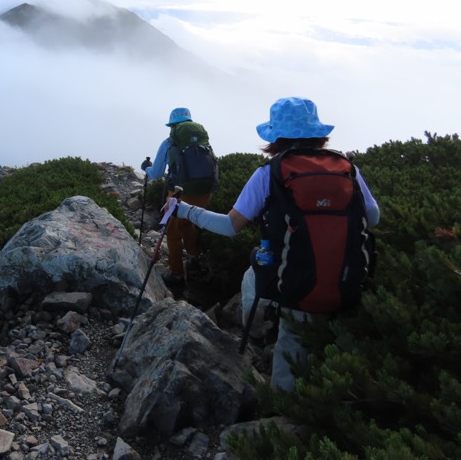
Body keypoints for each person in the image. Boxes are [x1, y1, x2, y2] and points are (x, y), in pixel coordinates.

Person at [173, 97, 380, 390]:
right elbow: (373, 218)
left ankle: (264, 350)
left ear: (276, 136)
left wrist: (185, 210)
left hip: (296, 285)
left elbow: (230, 226)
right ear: (318, 133)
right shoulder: (348, 170)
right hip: (349, 281)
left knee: (255, 279)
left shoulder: (269, 174)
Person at [144, 107, 217, 288]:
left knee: (173, 234)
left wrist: (146, 167)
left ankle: (176, 274)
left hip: (179, 194)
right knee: (189, 222)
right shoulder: (203, 142)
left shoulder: (169, 143)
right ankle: (193, 258)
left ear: (173, 125)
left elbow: (157, 173)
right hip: (204, 193)